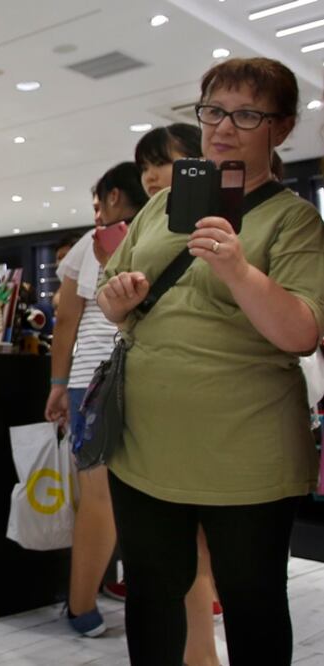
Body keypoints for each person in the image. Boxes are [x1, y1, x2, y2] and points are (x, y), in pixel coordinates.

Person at [99, 57, 324, 665]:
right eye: (213, 111)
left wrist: (238, 269)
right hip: (145, 442)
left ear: (282, 127)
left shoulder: (294, 219)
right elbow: (114, 290)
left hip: (246, 450)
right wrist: (117, 301)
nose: (223, 127)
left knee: (252, 600)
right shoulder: (161, 205)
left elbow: (301, 333)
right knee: (151, 593)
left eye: (246, 114)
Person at [45, 162, 148, 638]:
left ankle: (82, 604)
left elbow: (66, 319)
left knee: (99, 497)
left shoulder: (95, 242)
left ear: (113, 197)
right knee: (153, 495)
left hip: (94, 379)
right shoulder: (161, 233)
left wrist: (58, 382)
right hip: (152, 374)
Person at [135, 122, 222, 666]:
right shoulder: (146, 224)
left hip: (218, 401)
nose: (150, 176)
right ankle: (201, 652)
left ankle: (203, 650)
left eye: (162, 163)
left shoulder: (224, 218)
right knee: (182, 544)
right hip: (159, 400)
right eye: (145, 167)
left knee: (211, 542)